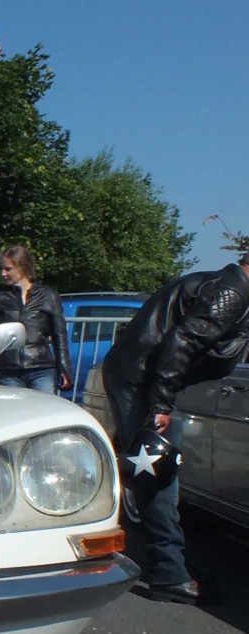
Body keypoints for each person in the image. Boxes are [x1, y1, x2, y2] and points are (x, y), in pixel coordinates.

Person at [102, 252, 249, 605]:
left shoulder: (227, 286)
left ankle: (174, 561)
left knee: (160, 472)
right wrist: (161, 406)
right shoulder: (233, 291)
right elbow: (183, 341)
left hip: (143, 378)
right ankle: (170, 574)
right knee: (160, 474)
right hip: (144, 382)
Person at [0, 245, 72, 394]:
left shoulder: (47, 295)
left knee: (45, 410)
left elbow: (59, 334)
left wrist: (64, 368)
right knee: (15, 414)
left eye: (8, 269)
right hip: (7, 370)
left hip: (41, 368)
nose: (3, 274)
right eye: (1, 269)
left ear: (23, 267)